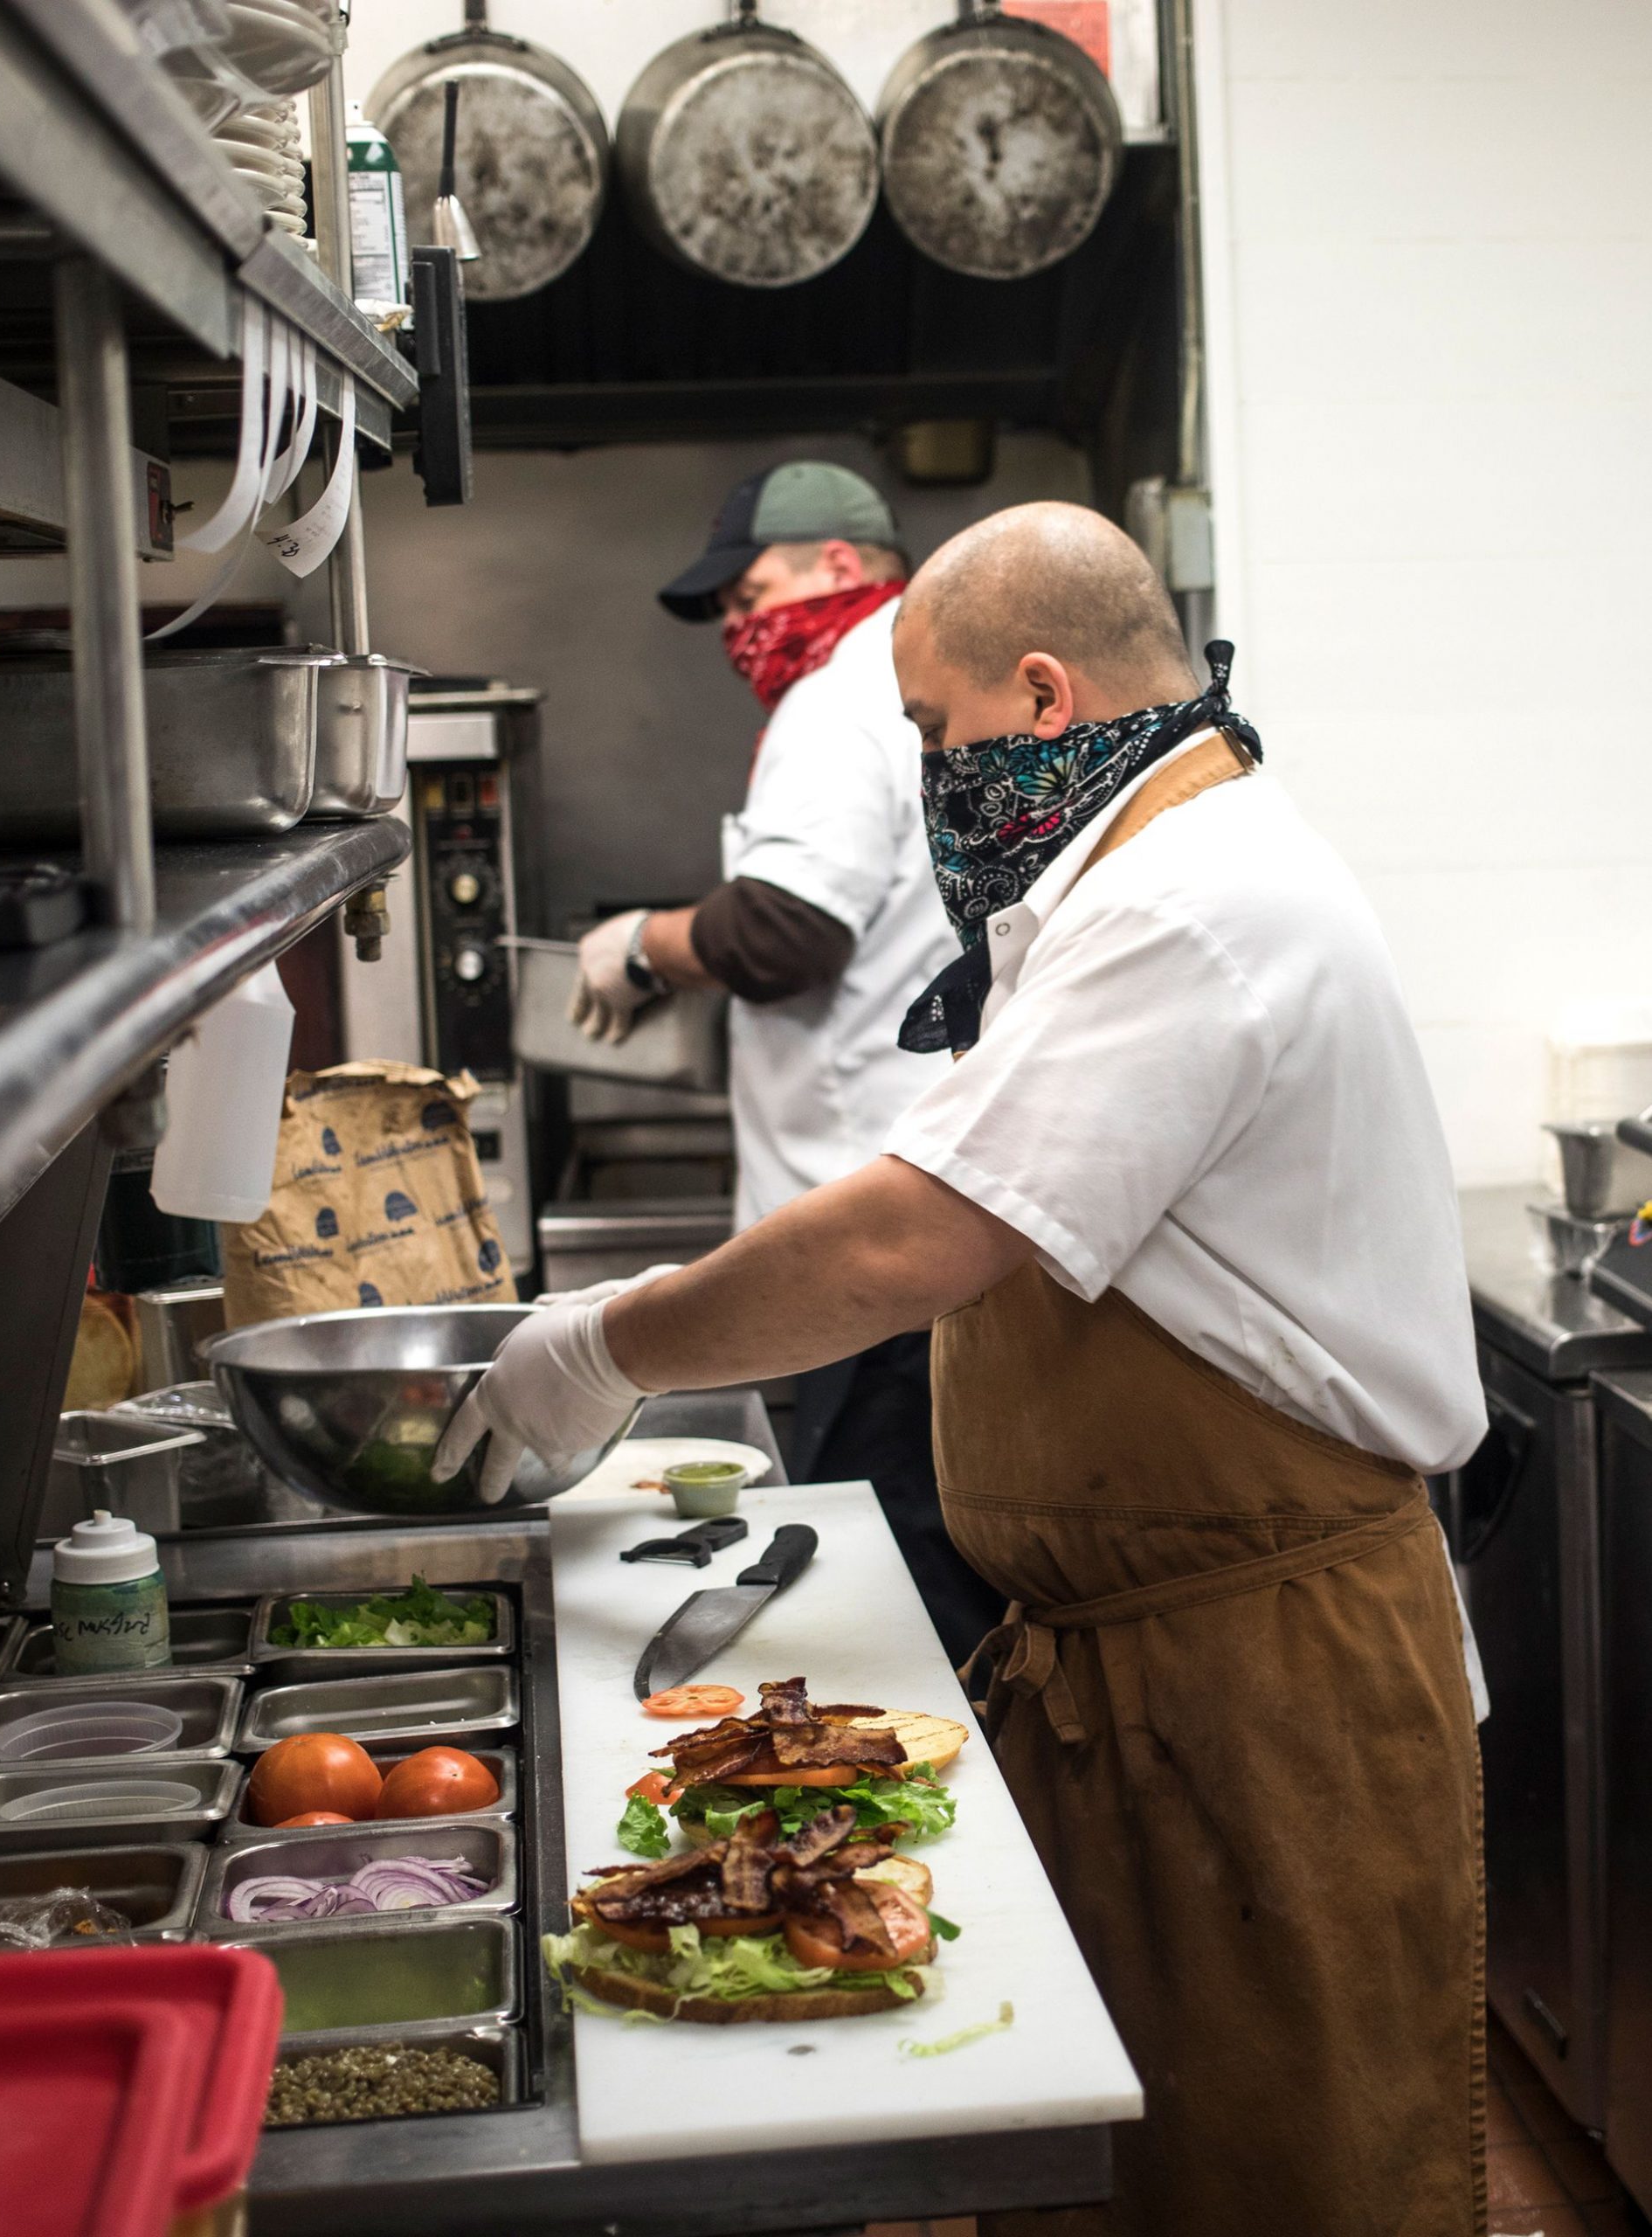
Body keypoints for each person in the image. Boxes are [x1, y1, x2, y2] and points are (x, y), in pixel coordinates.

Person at [445, 502, 1488, 2237]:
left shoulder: (1189, 905)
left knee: (1290, 2174)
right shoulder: (1125, 885)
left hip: (1265, 1679)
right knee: (1136, 2176)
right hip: (1146, 1673)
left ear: (1042, 688)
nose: (928, 772)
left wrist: (595, 1348)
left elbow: (902, 1243)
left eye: (933, 733)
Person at [567, 458, 1002, 1658]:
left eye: (746, 593)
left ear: (842, 568)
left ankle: (925, 1827)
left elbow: (786, 930)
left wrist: (642, 946)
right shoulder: (921, 684)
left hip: (869, 1221)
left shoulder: (842, 689)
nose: (735, 626)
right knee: (935, 1573)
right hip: (936, 1202)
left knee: (893, 1595)